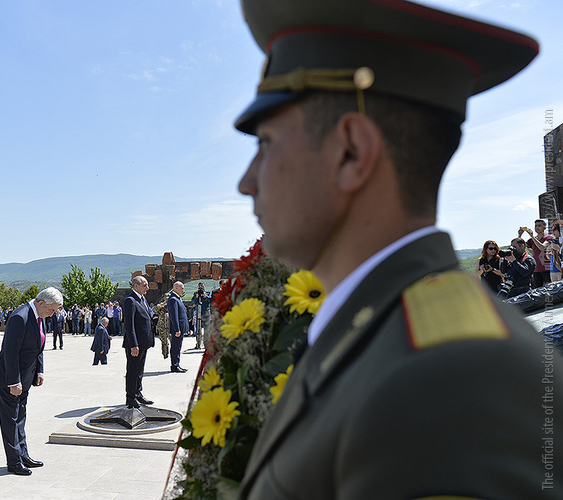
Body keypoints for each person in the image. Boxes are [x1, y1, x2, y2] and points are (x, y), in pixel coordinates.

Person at [231, 1, 562, 498]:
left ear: (351, 153)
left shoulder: (447, 382)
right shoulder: (383, 335)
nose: (246, 181)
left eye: (265, 143)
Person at [0, 287, 62, 476]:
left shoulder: (38, 316)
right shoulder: (20, 317)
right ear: (41, 303)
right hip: (10, 379)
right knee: (10, 421)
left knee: (20, 417)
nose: (52, 314)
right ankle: (13, 462)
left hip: (26, 377)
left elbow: (38, 346)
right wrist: (14, 381)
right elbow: (10, 352)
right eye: (51, 310)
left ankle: (23, 455)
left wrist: (40, 370)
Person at [122, 275, 154, 408]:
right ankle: (130, 397)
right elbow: (129, 325)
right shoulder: (130, 300)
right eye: (145, 285)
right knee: (133, 370)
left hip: (144, 342)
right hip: (135, 344)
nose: (147, 287)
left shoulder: (142, 299)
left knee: (140, 370)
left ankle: (138, 393)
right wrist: (134, 344)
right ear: (136, 286)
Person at [519, 219, 554, 288]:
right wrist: (520, 235)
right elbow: (521, 247)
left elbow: (542, 247)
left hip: (547, 269)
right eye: (536, 226)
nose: (537, 228)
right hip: (536, 270)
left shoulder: (549, 237)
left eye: (539, 226)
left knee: (549, 290)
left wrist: (532, 237)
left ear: (545, 227)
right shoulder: (532, 240)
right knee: (537, 291)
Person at [167, 282, 189, 373]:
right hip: (177, 328)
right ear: (176, 288)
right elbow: (174, 316)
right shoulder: (173, 299)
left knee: (178, 346)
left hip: (180, 327)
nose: (183, 290)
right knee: (175, 347)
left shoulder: (177, 298)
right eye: (182, 288)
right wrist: (177, 329)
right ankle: (174, 365)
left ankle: (177, 364)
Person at [191, 282, 213, 349]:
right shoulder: (196, 293)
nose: (201, 288)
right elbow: (193, 302)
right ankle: (198, 343)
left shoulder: (208, 293)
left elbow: (211, 300)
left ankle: (206, 344)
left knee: (207, 330)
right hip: (199, 313)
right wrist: (197, 296)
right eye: (200, 286)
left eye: (202, 286)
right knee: (198, 330)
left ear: (204, 286)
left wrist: (205, 295)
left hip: (206, 313)